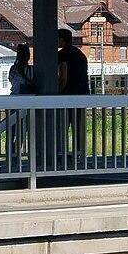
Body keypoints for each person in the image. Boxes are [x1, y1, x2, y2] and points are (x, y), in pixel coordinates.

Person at [54, 27, 89, 165]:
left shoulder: (63, 54)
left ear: (61, 40)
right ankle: (79, 155)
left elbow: (63, 77)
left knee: (62, 127)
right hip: (82, 95)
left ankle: (63, 155)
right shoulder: (80, 54)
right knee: (78, 127)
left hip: (67, 96)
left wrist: (57, 93)